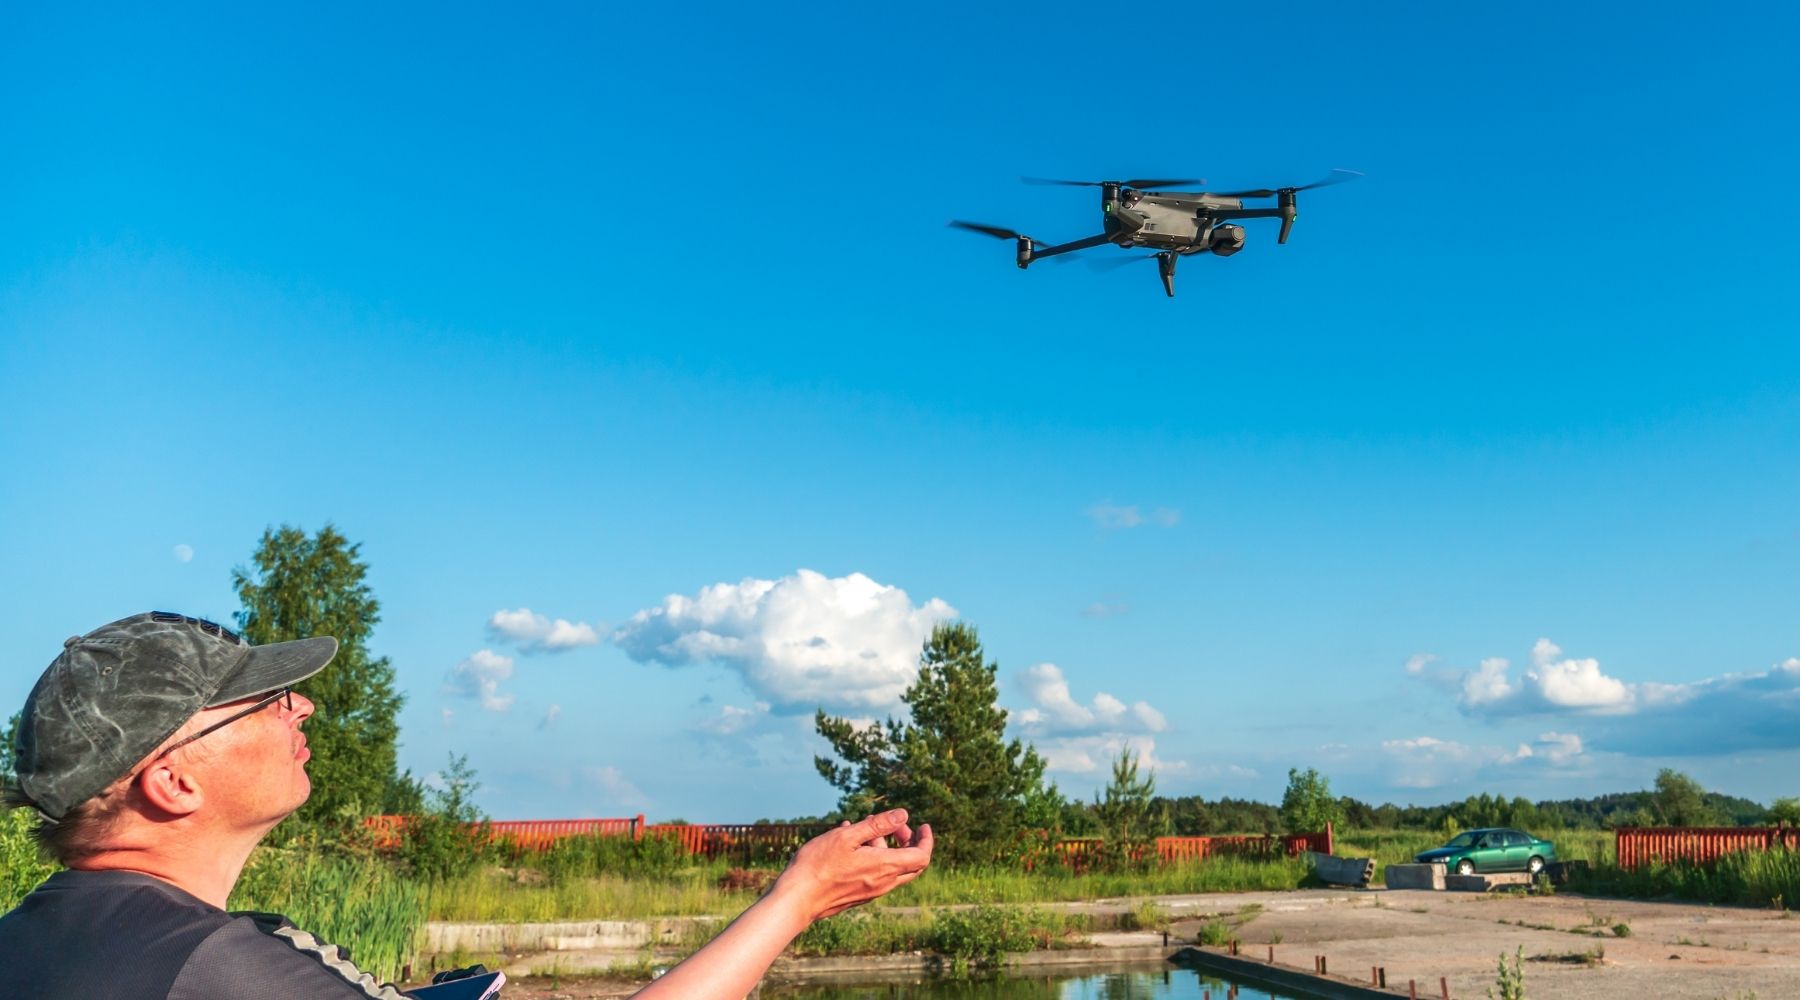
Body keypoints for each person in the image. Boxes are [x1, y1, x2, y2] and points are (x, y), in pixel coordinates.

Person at [0, 611, 933, 998]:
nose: (304, 705)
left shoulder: (33, 936)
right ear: (174, 782)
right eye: (264, 699)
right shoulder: (215, 967)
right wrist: (799, 898)